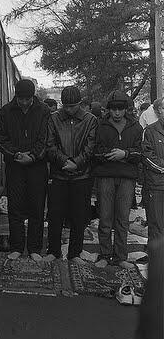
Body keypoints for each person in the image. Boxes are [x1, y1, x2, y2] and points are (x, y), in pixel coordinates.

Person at [0, 79, 50, 262]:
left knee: (37, 207)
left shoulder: (43, 111)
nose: (24, 102)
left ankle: (34, 248)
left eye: (27, 99)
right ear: (16, 96)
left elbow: (46, 138)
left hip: (37, 165)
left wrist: (33, 156)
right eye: (21, 99)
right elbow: (0, 138)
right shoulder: (6, 111)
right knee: (15, 207)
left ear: (33, 96)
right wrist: (16, 154)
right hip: (15, 165)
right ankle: (17, 246)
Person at [44, 86, 97, 265]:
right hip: (59, 175)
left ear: (80, 104)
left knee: (78, 216)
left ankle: (75, 252)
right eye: (66, 106)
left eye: (73, 106)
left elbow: (91, 147)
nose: (69, 110)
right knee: (55, 214)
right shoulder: (54, 119)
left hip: (82, 176)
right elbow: (50, 145)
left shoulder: (90, 120)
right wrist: (64, 161)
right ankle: (53, 250)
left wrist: (76, 163)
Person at [93, 91, 143, 269]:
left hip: (127, 178)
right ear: (109, 109)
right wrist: (111, 155)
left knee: (122, 218)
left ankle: (121, 256)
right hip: (106, 176)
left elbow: (140, 153)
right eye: (113, 109)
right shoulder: (101, 126)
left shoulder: (136, 127)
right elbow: (95, 152)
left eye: (120, 109)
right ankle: (105, 254)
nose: (116, 113)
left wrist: (125, 154)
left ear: (125, 109)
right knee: (105, 217)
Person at [141, 110, 164, 245]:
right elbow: (147, 157)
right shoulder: (149, 131)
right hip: (156, 186)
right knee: (157, 226)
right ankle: (157, 261)